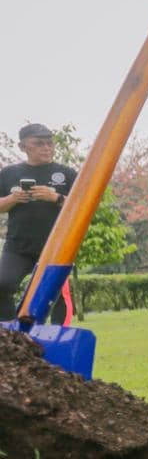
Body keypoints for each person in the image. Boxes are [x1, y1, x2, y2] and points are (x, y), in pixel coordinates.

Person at [0, 123, 76, 324]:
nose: (47, 148)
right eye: (39, 143)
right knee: (2, 284)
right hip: (18, 246)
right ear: (23, 146)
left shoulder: (66, 173)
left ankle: (59, 338)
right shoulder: (8, 174)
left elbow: (84, 205)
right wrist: (12, 199)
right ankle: (10, 334)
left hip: (56, 246)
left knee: (56, 294)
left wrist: (56, 198)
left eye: (50, 143)